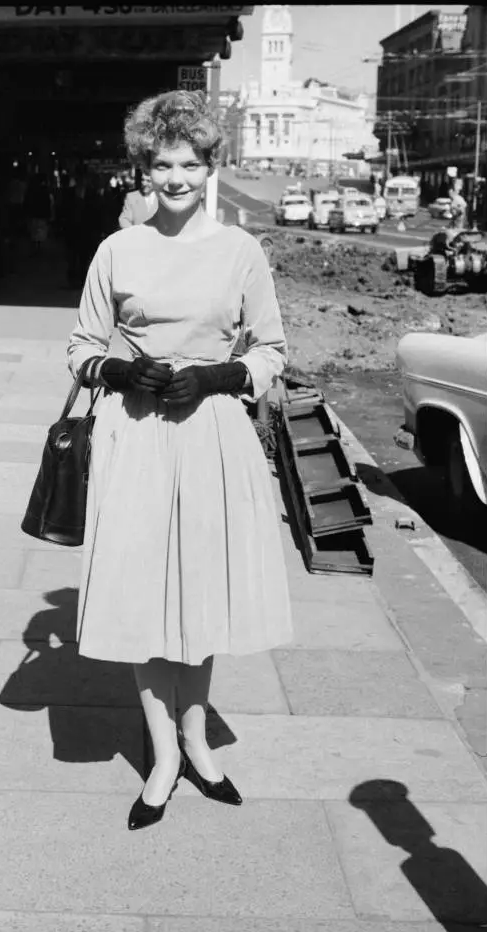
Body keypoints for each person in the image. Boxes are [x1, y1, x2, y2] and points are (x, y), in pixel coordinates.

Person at [66, 90, 292, 832]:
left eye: (189, 163)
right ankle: (161, 754)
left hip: (211, 439)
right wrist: (120, 373)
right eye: (161, 164)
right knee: (140, 597)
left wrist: (221, 376)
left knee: (198, 595)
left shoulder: (240, 251)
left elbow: (270, 351)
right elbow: (80, 346)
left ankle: (197, 740)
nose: (175, 177)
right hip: (134, 436)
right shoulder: (116, 250)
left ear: (209, 167)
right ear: (142, 167)